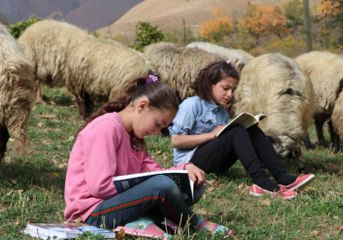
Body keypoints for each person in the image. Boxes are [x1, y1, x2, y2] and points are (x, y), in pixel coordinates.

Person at [64, 74, 232, 239]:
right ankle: (194, 222)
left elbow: (156, 172)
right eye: (158, 124)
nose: (156, 131)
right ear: (143, 106)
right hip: (92, 213)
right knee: (161, 185)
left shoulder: (135, 138)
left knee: (193, 185)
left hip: (119, 204)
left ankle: (143, 222)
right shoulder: (106, 128)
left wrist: (184, 168)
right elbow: (99, 187)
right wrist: (145, 187)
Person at [169, 61, 315, 200]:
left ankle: (282, 176)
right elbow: (176, 141)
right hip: (191, 164)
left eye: (233, 90)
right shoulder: (192, 105)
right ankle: (260, 181)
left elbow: (226, 142)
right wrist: (211, 135)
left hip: (216, 164)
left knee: (249, 127)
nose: (230, 95)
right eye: (225, 88)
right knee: (236, 130)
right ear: (209, 85)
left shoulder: (222, 112)